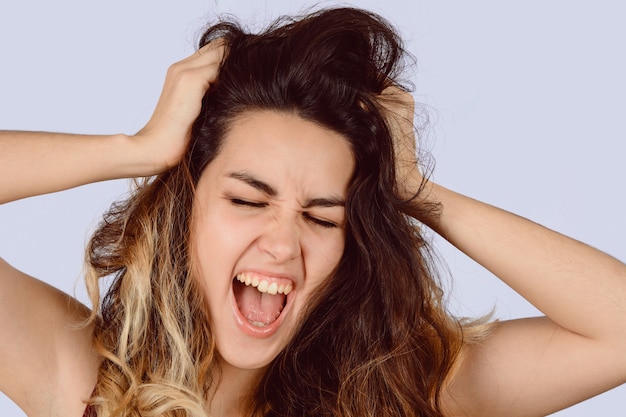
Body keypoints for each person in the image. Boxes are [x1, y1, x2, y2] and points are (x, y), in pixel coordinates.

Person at [1, 6, 625, 417]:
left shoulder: (400, 394)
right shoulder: (84, 382)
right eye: (248, 200)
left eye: (324, 218)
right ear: (186, 206)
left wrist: (413, 194)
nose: (282, 242)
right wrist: (136, 150)